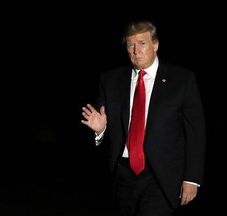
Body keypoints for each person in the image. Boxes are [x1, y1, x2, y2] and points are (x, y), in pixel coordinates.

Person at [81, 20, 206, 216]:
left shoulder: (181, 79)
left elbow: (195, 133)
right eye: (131, 44)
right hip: (122, 174)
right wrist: (100, 130)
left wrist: (191, 178)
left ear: (155, 45)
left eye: (142, 43)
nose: (136, 50)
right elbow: (101, 121)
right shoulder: (111, 79)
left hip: (160, 176)